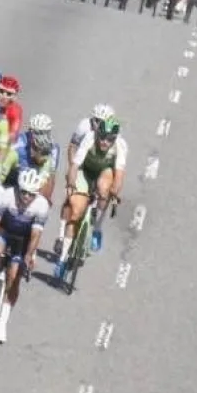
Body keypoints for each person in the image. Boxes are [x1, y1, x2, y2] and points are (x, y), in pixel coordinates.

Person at [54, 114, 126, 278]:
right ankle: (63, 259)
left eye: (109, 140)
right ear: (97, 133)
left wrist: (114, 194)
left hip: (104, 171)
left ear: (115, 139)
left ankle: (97, 229)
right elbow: (75, 165)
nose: (104, 142)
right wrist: (71, 183)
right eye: (102, 137)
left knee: (104, 190)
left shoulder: (121, 145)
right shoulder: (89, 137)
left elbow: (119, 174)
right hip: (85, 170)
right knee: (75, 212)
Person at [0, 169, 49, 343]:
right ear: (18, 189)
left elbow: (35, 236)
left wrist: (28, 257)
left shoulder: (41, 205)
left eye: (31, 194)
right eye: (24, 192)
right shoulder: (7, 195)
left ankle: (2, 322)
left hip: (24, 239)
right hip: (5, 231)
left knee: (14, 276)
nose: (26, 197)